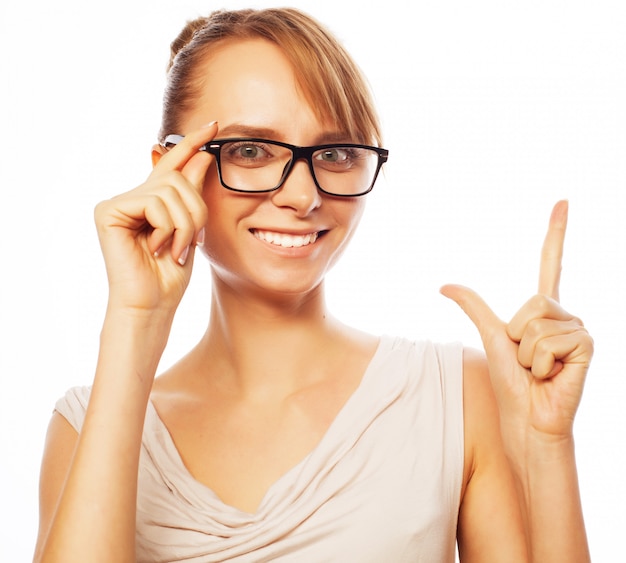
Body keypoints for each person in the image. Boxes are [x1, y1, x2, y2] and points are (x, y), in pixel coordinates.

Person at [33, 7, 593, 563]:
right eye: (250, 150)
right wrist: (136, 319)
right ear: (172, 171)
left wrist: (546, 448)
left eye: (334, 153)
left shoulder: (460, 396)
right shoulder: (87, 425)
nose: (303, 197)